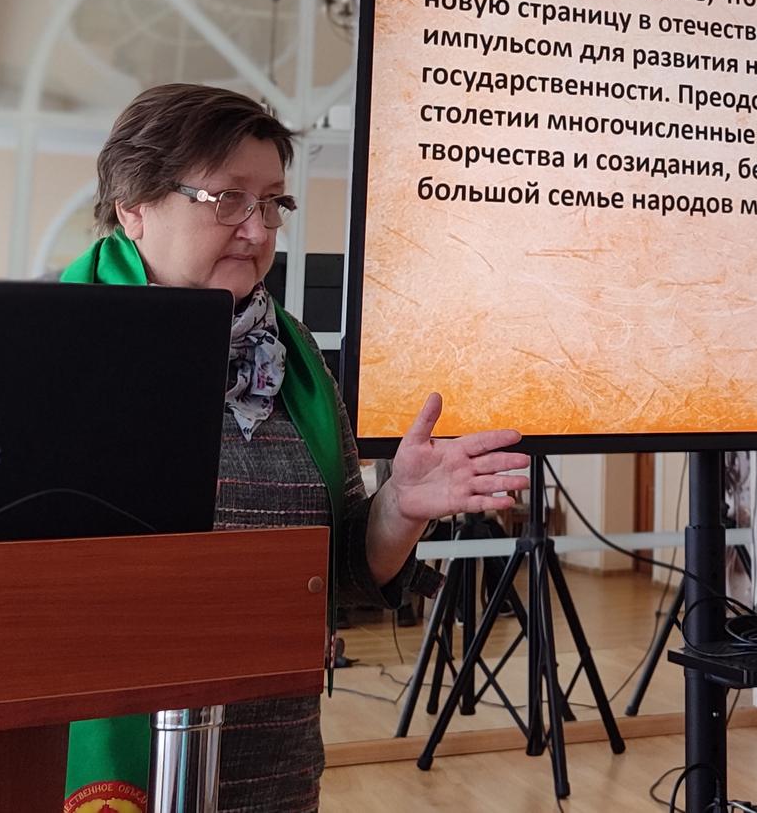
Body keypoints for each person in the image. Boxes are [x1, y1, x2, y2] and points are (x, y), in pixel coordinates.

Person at [60, 83, 526, 813]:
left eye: (274, 202)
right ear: (133, 206)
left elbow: (341, 574)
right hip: (91, 758)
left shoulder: (292, 358)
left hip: (269, 764)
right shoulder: (50, 349)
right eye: (227, 199)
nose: (257, 229)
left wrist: (400, 506)